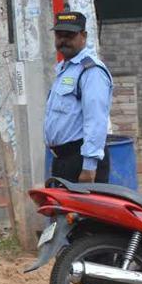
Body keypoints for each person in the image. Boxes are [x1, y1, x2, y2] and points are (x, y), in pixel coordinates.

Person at [45, 10, 113, 183]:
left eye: (70, 35)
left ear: (83, 36)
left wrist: (89, 167)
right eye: (60, 35)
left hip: (81, 162)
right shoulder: (64, 68)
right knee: (61, 211)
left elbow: (96, 120)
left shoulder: (91, 71)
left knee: (84, 211)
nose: (63, 40)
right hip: (63, 161)